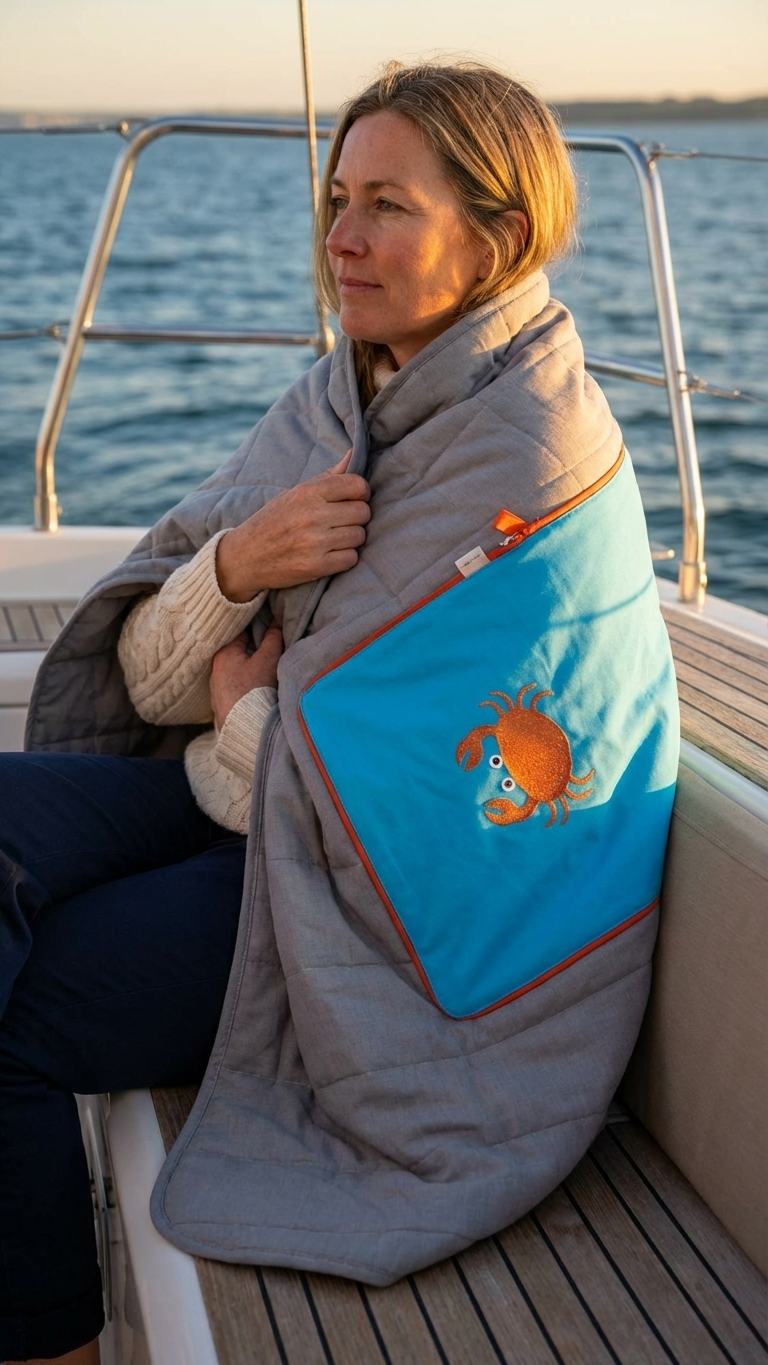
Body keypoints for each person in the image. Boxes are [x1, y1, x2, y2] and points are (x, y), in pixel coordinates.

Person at [0, 62, 678, 1364]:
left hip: (358, 920)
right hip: (237, 806)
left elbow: (476, 815)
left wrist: (249, 728)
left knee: (13, 1038)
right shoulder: (333, 401)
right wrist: (237, 568)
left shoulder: (535, 463)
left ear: (500, 237)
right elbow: (150, 684)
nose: (342, 239)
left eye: (388, 206)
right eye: (334, 198)